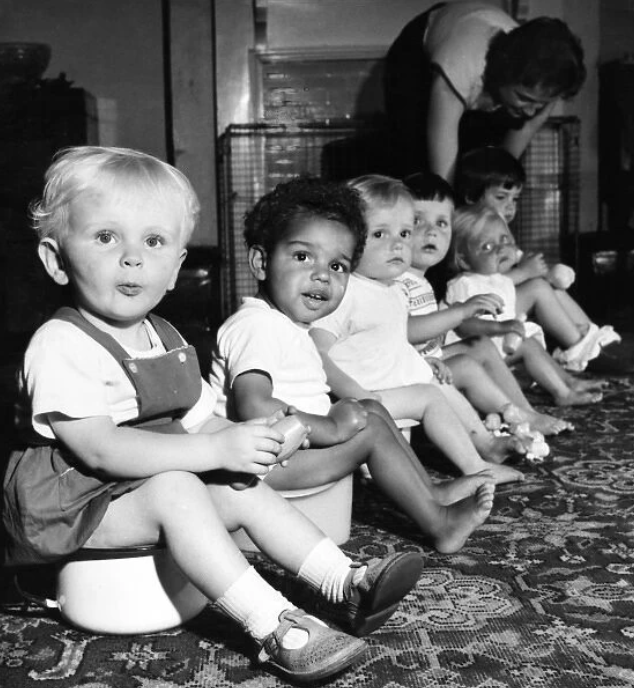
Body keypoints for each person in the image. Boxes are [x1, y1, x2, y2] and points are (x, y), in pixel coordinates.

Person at [1, 147, 425, 683]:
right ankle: (274, 625)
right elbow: (100, 449)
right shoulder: (61, 343)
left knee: (233, 483)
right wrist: (211, 450)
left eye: (153, 241)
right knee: (180, 485)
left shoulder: (168, 339)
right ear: (57, 259)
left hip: (136, 489)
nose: (132, 258)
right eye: (106, 237)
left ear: (177, 267)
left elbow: (203, 421)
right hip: (72, 506)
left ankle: (345, 580)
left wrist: (249, 439)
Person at [209, 175, 505, 555]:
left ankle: (428, 491)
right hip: (258, 466)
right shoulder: (256, 326)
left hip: (285, 449)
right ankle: (439, 524)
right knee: (369, 433)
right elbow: (254, 406)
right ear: (261, 262)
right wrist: (330, 426)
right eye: (302, 257)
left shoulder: (285, 323)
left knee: (370, 409)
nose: (321, 274)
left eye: (337, 266)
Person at [302, 174, 525, 476]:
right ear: (346, 239)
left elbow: (396, 338)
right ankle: (476, 467)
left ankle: (482, 447)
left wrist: (424, 362)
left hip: (383, 391)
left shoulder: (393, 289)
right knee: (429, 398)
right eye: (380, 234)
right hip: (352, 401)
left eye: (405, 234)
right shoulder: (346, 292)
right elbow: (315, 352)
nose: (397, 245)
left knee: (433, 388)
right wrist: (356, 392)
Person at [400, 171, 571, 437]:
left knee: (480, 345)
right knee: (469, 360)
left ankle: (526, 412)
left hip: (429, 359)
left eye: (442, 223)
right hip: (410, 368)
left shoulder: (422, 280)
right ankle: (509, 415)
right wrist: (459, 312)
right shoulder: (396, 280)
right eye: (417, 221)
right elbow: (404, 333)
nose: (431, 231)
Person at [454, 146, 621, 372]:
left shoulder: (500, 232)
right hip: (484, 318)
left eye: (515, 198)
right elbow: (481, 283)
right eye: (501, 197)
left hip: (505, 307)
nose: (510, 206)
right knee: (538, 287)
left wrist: (547, 273)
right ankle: (580, 347)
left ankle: (591, 336)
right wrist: (525, 273)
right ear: (471, 196)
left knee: (548, 285)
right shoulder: (468, 231)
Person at [384, 2, 586, 182]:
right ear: (504, 73)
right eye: (525, 98)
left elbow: (511, 152)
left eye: (540, 104)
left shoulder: (548, 79)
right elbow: (442, 162)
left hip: (480, 58)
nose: (532, 111)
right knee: (414, 162)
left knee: (479, 165)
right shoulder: (464, 63)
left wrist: (494, 190)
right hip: (414, 58)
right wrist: (447, 211)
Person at [444, 204, 604, 407]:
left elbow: (514, 282)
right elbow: (465, 325)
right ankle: (562, 393)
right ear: (464, 260)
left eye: (505, 240)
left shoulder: (496, 279)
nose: (501, 249)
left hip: (497, 346)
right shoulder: (464, 284)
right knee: (528, 346)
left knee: (531, 343)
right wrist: (501, 328)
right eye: (487, 247)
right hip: (475, 353)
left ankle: (569, 381)